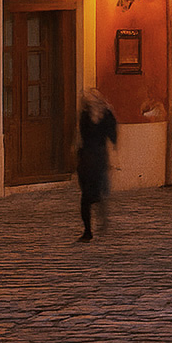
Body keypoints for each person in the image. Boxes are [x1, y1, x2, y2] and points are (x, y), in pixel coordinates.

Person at [76, 88, 117, 242]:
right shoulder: (107, 114)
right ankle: (101, 220)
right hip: (98, 157)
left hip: (87, 157)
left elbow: (82, 134)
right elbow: (112, 136)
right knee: (98, 192)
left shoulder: (85, 114)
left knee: (86, 196)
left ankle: (88, 230)